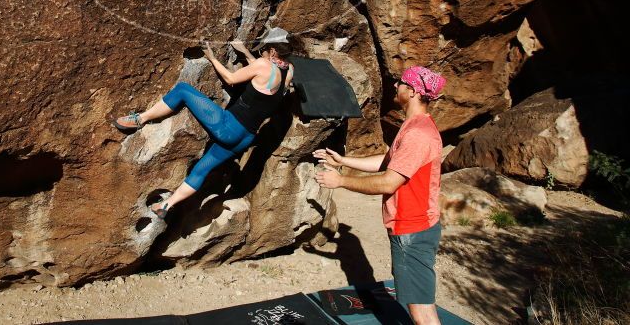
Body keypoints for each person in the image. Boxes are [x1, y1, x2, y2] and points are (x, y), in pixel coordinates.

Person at [114, 27, 295, 219]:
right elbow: (265, 73)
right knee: (202, 169)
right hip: (245, 138)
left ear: (272, 51)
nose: (261, 53)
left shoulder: (262, 65)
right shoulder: (289, 70)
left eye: (263, 50)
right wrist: (245, 52)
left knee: (183, 90)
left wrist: (211, 57)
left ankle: (139, 119)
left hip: (229, 125)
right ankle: (166, 205)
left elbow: (232, 78)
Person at [314, 65, 446, 325]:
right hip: (412, 227)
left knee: (421, 312)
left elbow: (388, 182)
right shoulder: (413, 126)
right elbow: (388, 162)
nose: (396, 86)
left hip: (412, 229)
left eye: (401, 83)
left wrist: (340, 181)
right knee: (420, 304)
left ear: (412, 91)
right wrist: (344, 161)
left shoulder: (418, 134)